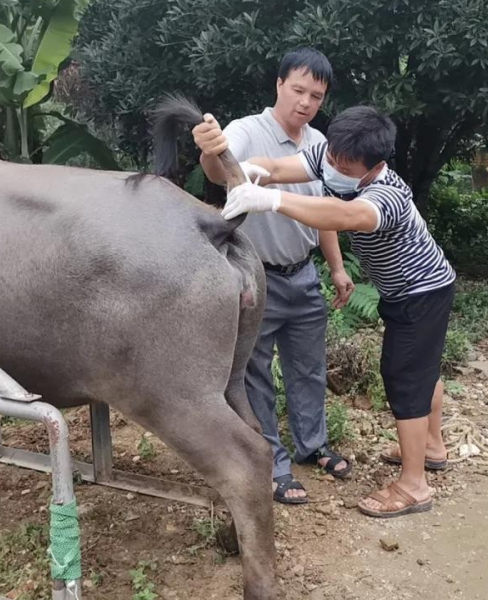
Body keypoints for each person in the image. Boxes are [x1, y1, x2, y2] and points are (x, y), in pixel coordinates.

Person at [217, 105, 457, 518]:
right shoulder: (331, 156)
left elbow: (345, 215)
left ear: (374, 165)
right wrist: (250, 171)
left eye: (344, 164)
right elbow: (275, 165)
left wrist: (272, 200)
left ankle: (414, 485)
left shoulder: (388, 195)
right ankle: (430, 445)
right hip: (404, 291)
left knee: (405, 378)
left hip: (422, 292)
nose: (332, 167)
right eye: (331, 157)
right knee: (422, 369)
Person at [192, 47, 355, 505]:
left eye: (316, 96)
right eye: (298, 90)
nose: (305, 102)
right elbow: (222, 168)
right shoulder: (247, 130)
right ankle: (274, 464)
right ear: (279, 84)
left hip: (303, 276)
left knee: (308, 368)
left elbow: (324, 214)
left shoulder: (319, 144)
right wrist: (211, 149)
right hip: (254, 278)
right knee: (256, 374)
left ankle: (314, 445)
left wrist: (338, 268)